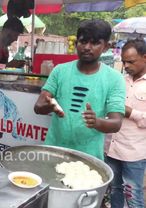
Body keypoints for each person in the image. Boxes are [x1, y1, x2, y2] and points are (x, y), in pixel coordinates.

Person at [33, 19, 126, 160]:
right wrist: (50, 106)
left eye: (95, 43)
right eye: (83, 42)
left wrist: (97, 122)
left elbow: (116, 123)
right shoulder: (60, 71)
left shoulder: (115, 78)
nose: (87, 47)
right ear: (76, 43)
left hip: (88, 158)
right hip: (53, 151)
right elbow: (38, 107)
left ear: (106, 47)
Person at [105, 39, 146, 208]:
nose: (126, 65)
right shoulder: (120, 81)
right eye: (123, 61)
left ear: (145, 58)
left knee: (133, 194)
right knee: (115, 190)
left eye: (131, 61)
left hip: (133, 153)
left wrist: (130, 112)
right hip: (111, 147)